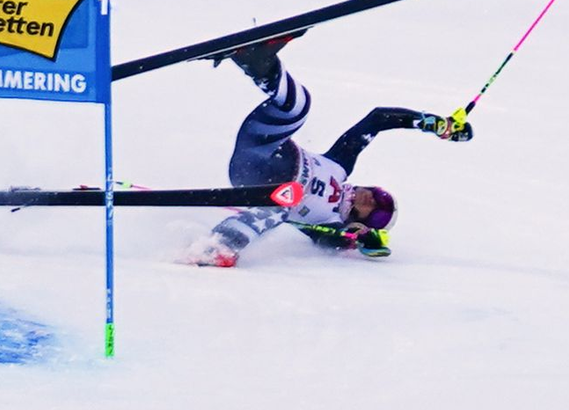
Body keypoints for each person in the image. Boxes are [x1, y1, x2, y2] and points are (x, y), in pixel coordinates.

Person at [183, 37, 472, 266]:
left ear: (361, 221)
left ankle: (217, 247)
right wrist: (432, 123)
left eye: (375, 210)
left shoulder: (329, 225)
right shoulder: (340, 165)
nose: (372, 198)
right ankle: (256, 61)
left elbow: (334, 241)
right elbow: (378, 119)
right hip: (263, 149)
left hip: (258, 183)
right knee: (298, 107)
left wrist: (361, 240)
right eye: (379, 195)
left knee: (280, 207)